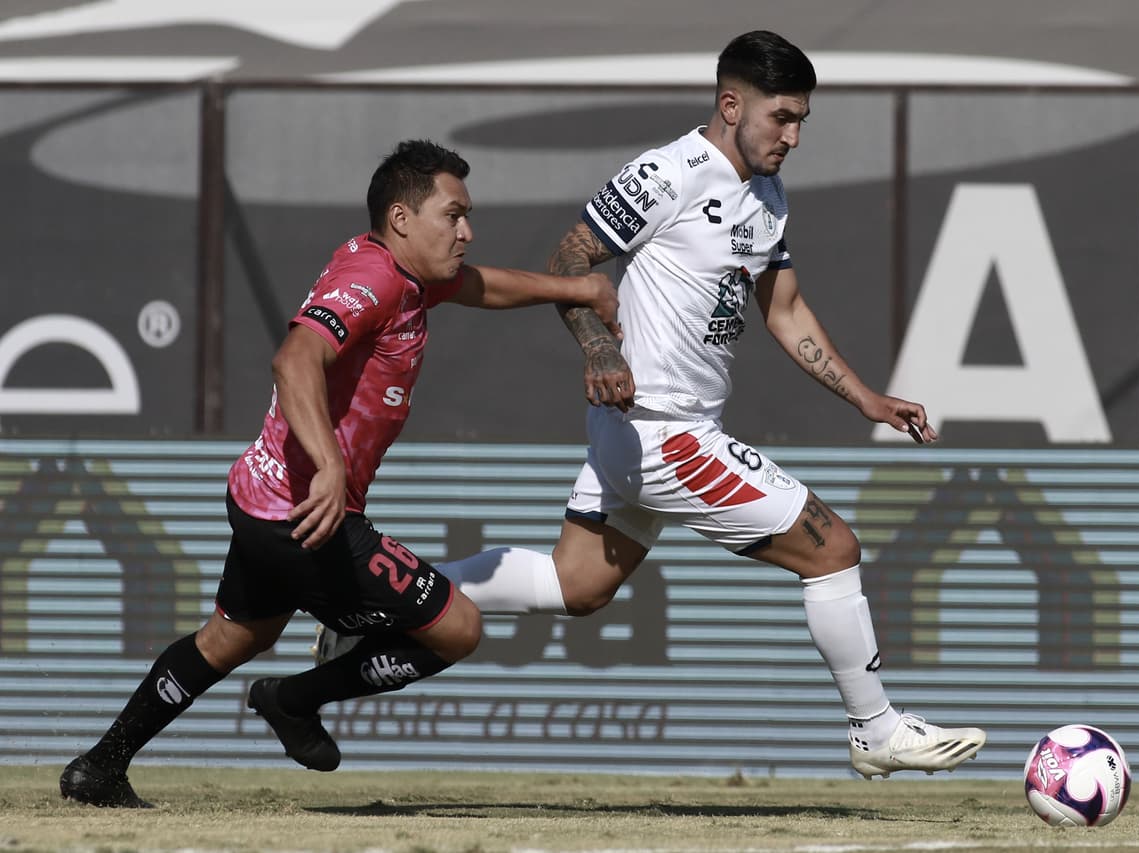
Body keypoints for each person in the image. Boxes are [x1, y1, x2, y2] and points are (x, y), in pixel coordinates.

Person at [407, 30, 989, 780]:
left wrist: (867, 398)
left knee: (575, 584)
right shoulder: (668, 172)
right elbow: (570, 259)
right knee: (833, 548)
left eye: (803, 119)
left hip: (653, 432)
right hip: (661, 430)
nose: (794, 135)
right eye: (781, 116)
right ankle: (875, 728)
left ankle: (391, 599)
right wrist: (601, 349)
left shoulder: (767, 196)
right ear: (729, 103)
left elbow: (786, 312)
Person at [59, 139, 620, 808]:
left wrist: (575, 286)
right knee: (456, 627)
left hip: (263, 500)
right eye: (455, 214)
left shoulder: (402, 272)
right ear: (402, 218)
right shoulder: (375, 280)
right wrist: (327, 466)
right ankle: (291, 699)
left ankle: (99, 765)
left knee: (234, 635)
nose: (467, 230)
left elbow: (479, 285)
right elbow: (294, 359)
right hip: (310, 517)